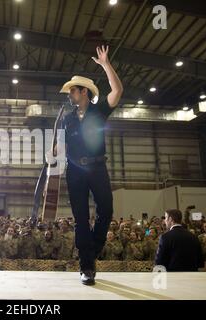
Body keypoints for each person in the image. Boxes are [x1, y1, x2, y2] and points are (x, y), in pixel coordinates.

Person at [60, 46, 123, 285]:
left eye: (72, 91)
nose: (69, 95)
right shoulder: (67, 119)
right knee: (81, 219)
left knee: (106, 210)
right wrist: (55, 151)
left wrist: (106, 64)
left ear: (84, 92)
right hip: (74, 171)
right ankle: (87, 266)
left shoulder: (99, 110)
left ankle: (91, 252)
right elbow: (65, 146)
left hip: (97, 168)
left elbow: (117, 90)